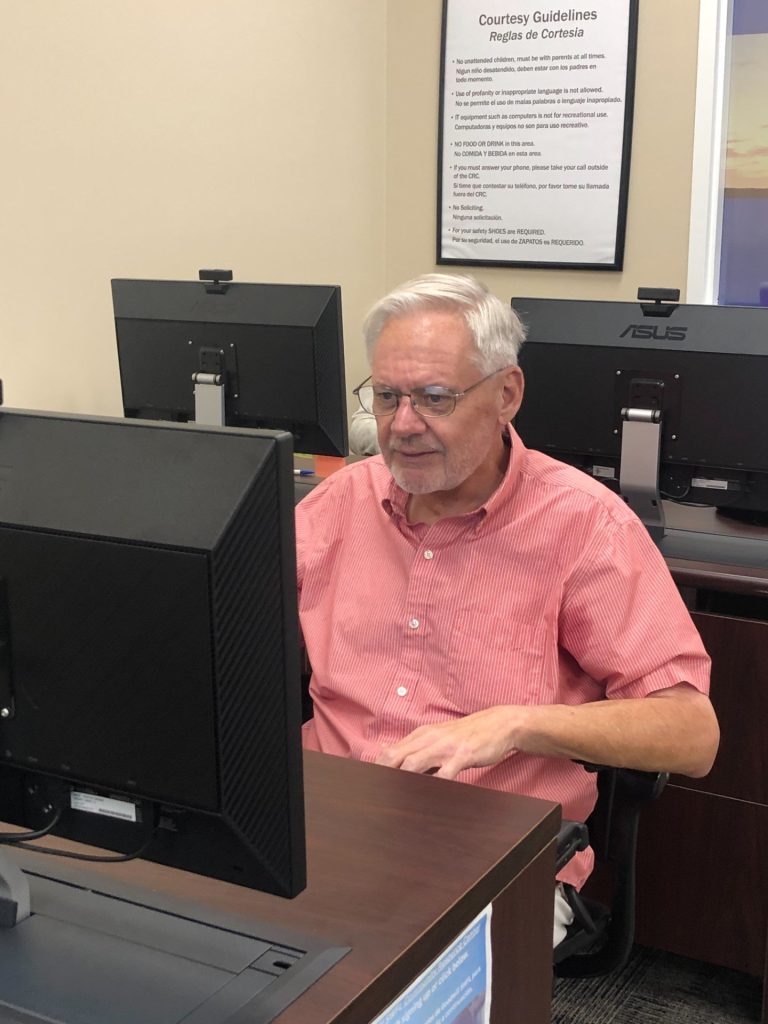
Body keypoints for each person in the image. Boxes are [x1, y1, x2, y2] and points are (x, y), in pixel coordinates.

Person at [295, 273, 719, 945]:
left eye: (435, 398)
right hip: (325, 816)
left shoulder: (583, 526)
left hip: (489, 849)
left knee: (375, 981)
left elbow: (692, 735)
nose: (402, 426)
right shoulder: (336, 505)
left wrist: (516, 725)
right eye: (386, 396)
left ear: (506, 395)